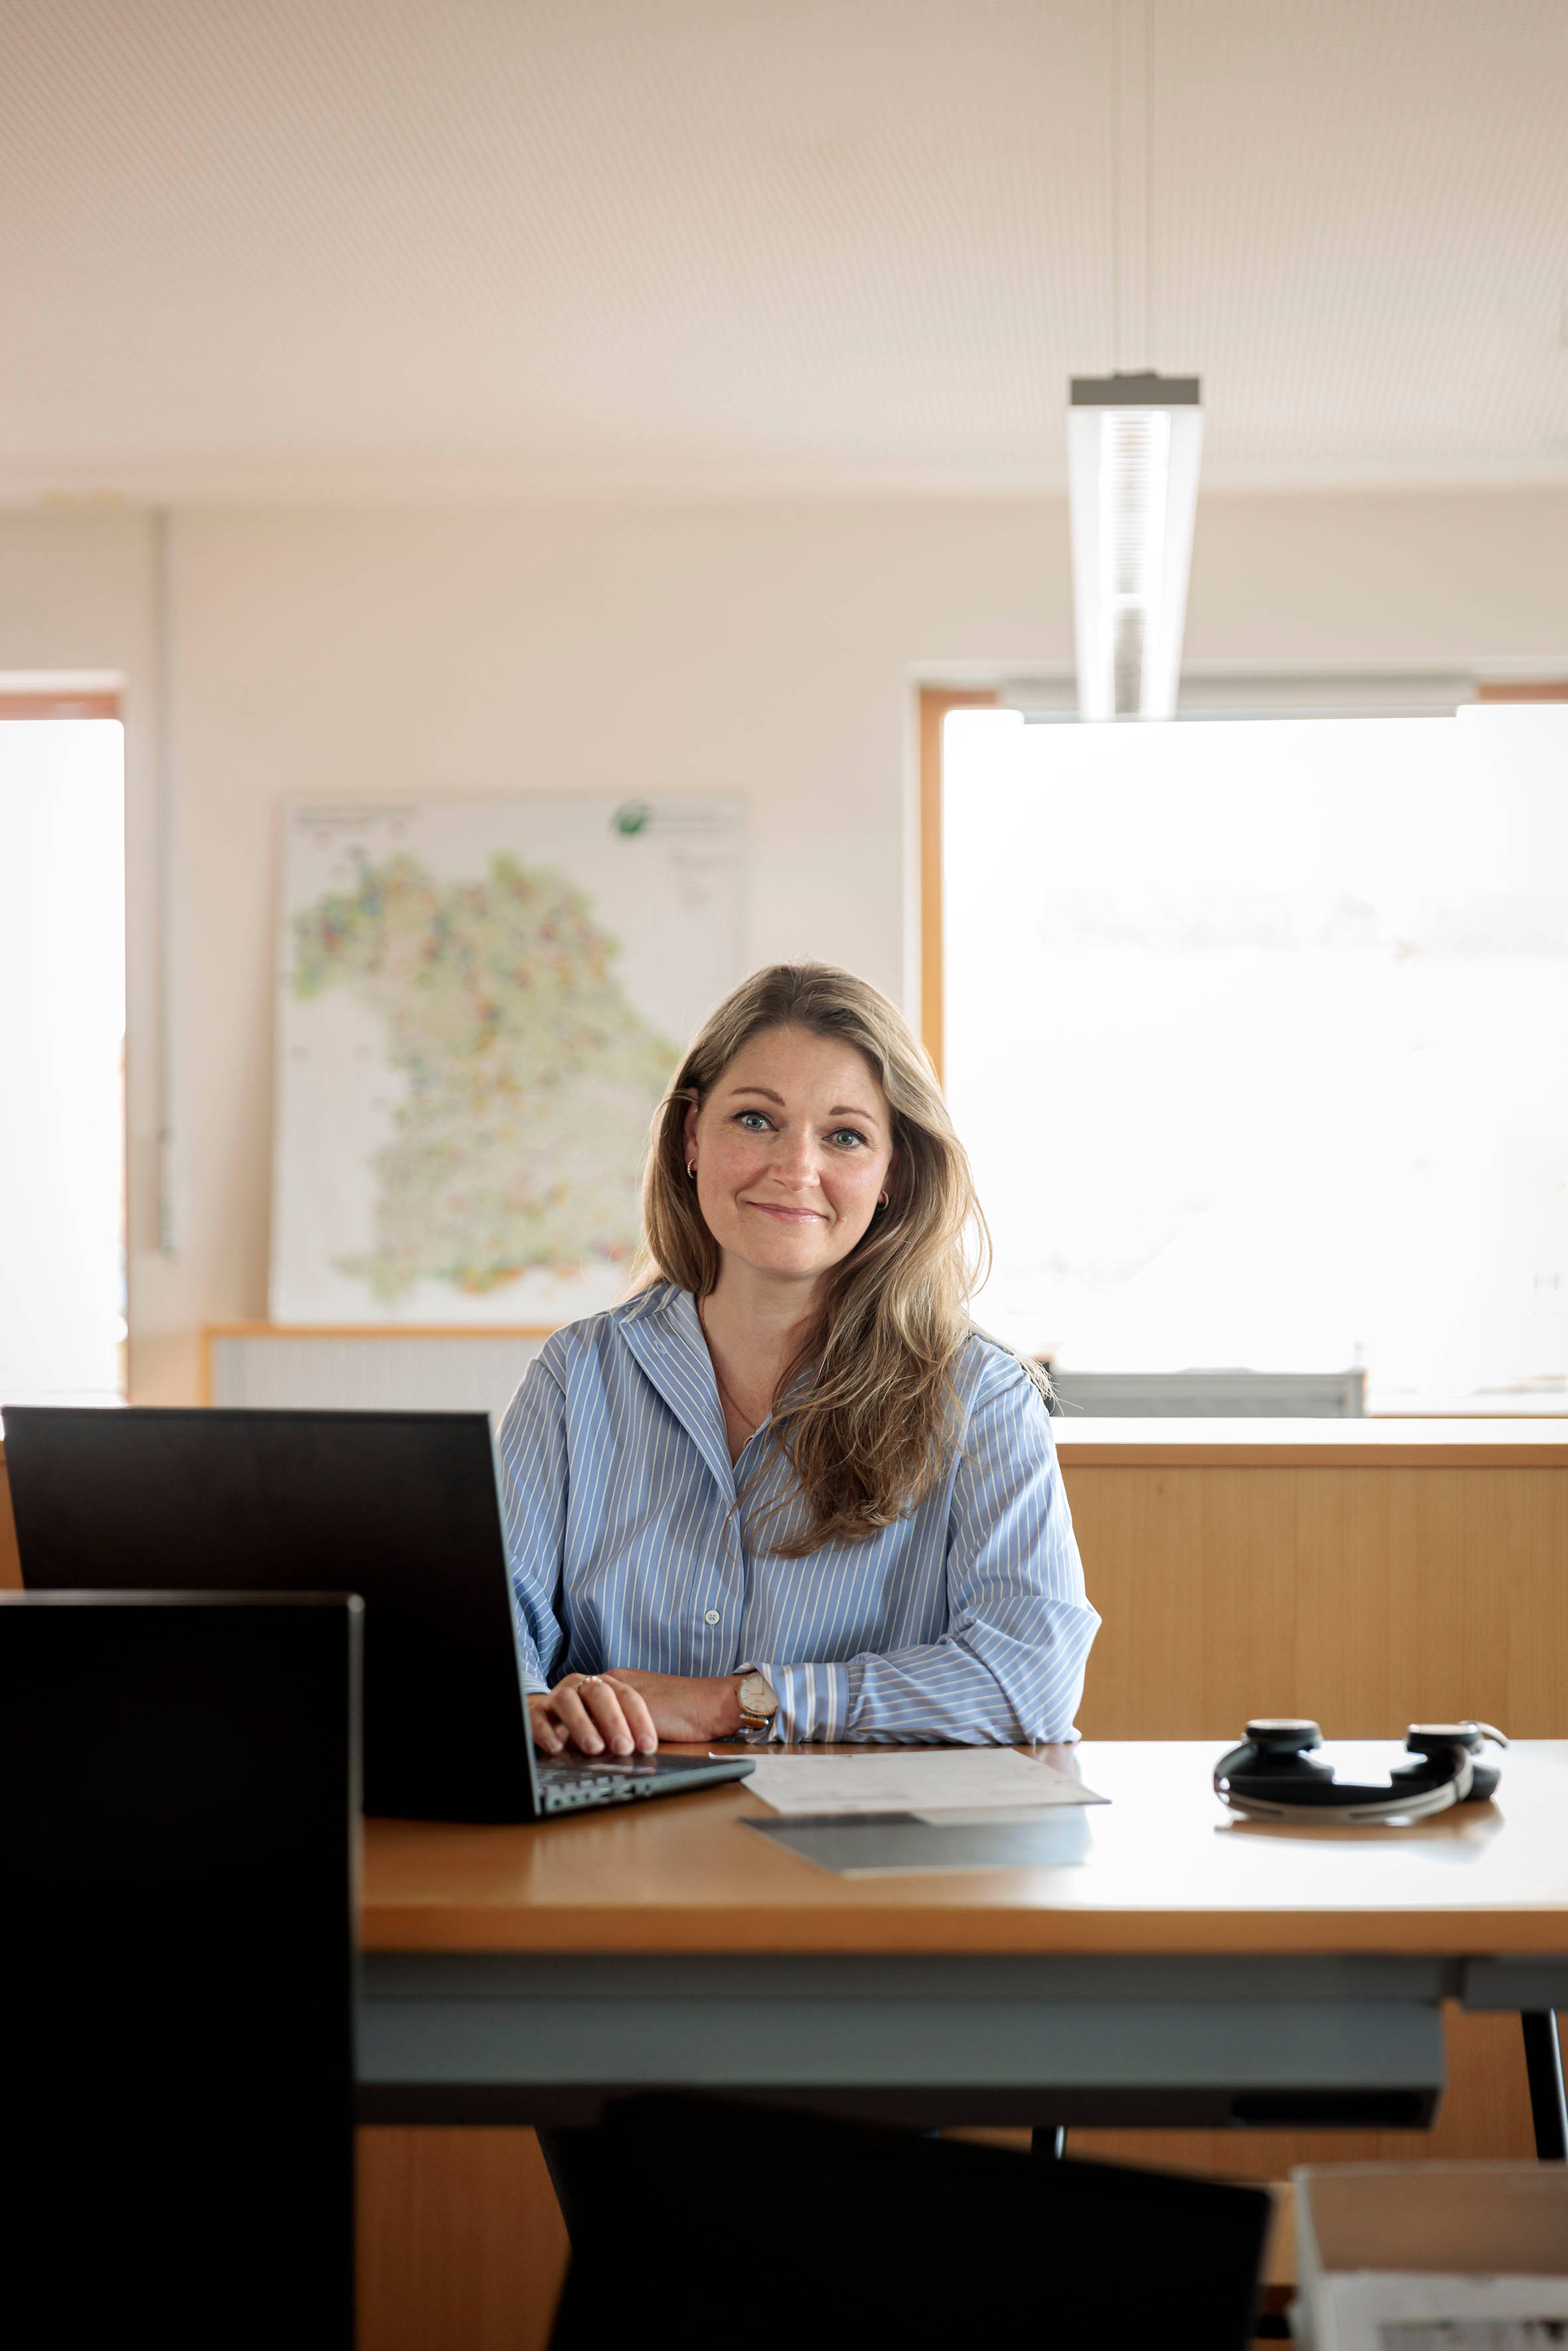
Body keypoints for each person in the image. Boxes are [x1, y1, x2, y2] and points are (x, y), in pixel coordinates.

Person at [498, 962, 1098, 1756]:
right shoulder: (577, 1378)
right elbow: (486, 1626)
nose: (794, 1169)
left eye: (844, 1135)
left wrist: (736, 1703)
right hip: (614, 1853)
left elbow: (1029, 1679)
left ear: (891, 1174)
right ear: (690, 1137)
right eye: (754, 1120)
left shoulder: (979, 1397)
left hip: (871, 1863)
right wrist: (530, 1707)